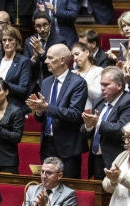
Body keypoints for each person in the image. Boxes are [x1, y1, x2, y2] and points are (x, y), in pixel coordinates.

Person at [26, 44, 88, 179]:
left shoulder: (78, 83)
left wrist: (46, 107)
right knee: (47, 185)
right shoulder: (47, 82)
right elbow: (40, 118)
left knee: (68, 188)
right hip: (47, 144)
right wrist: (39, 110)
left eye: (50, 58)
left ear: (62, 60)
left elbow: (74, 114)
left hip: (68, 147)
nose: (46, 61)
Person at [83, 69, 130, 180]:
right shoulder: (99, 101)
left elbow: (123, 130)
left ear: (119, 85)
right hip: (96, 159)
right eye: (101, 84)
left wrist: (97, 123)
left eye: (106, 85)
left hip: (116, 160)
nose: (102, 88)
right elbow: (86, 130)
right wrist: (88, 125)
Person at [0, 27, 31, 115]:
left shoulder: (23, 61)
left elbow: (23, 90)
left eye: (10, 40)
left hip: (12, 110)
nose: (7, 43)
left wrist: (1, 81)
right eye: (4, 40)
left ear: (17, 42)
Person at [24, 11, 67, 96]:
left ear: (50, 24)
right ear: (35, 27)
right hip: (34, 85)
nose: (42, 29)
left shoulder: (60, 41)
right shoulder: (29, 41)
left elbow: (60, 65)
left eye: (45, 25)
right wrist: (34, 59)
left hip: (53, 82)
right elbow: (26, 66)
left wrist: (41, 52)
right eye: (39, 26)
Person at [71, 42, 102, 110]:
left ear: (87, 52)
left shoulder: (98, 71)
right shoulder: (72, 73)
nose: (75, 58)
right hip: (73, 112)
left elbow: (99, 96)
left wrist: (82, 82)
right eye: (73, 56)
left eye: (77, 54)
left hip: (90, 112)